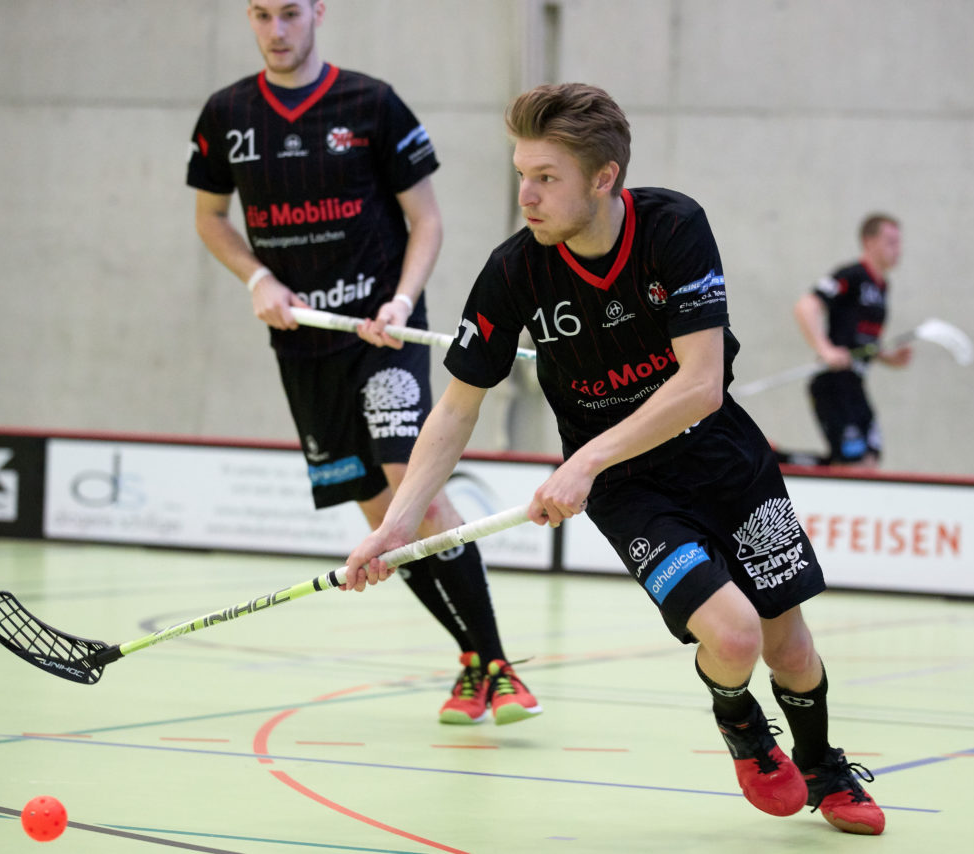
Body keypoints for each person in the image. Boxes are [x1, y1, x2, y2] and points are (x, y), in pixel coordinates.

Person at [342, 83, 885, 836]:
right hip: (631, 489)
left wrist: (582, 460)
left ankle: (822, 764)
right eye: (521, 173)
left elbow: (700, 385)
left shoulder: (674, 227)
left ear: (604, 177)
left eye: (546, 177)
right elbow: (457, 409)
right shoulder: (513, 271)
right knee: (733, 636)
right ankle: (739, 721)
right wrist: (399, 523)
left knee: (788, 645)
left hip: (722, 457)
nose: (526, 196)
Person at [185, 0, 539, 727]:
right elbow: (210, 216)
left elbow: (426, 220)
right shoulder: (226, 113)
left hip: (384, 334)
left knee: (418, 500)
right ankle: (474, 659)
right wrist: (257, 278)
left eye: (290, 13)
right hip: (304, 346)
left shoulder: (371, 103)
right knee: (382, 520)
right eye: (261, 16)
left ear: (319, 11)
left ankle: (500, 667)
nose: (277, 31)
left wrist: (403, 301)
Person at [792, 215, 912, 467]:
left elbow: (861, 342)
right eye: (890, 242)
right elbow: (806, 306)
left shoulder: (882, 286)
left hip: (855, 386)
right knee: (852, 465)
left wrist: (888, 358)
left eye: (899, 243)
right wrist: (825, 349)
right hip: (833, 384)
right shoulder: (851, 275)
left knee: (869, 462)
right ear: (869, 242)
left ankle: (780, 459)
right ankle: (775, 462)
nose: (898, 250)